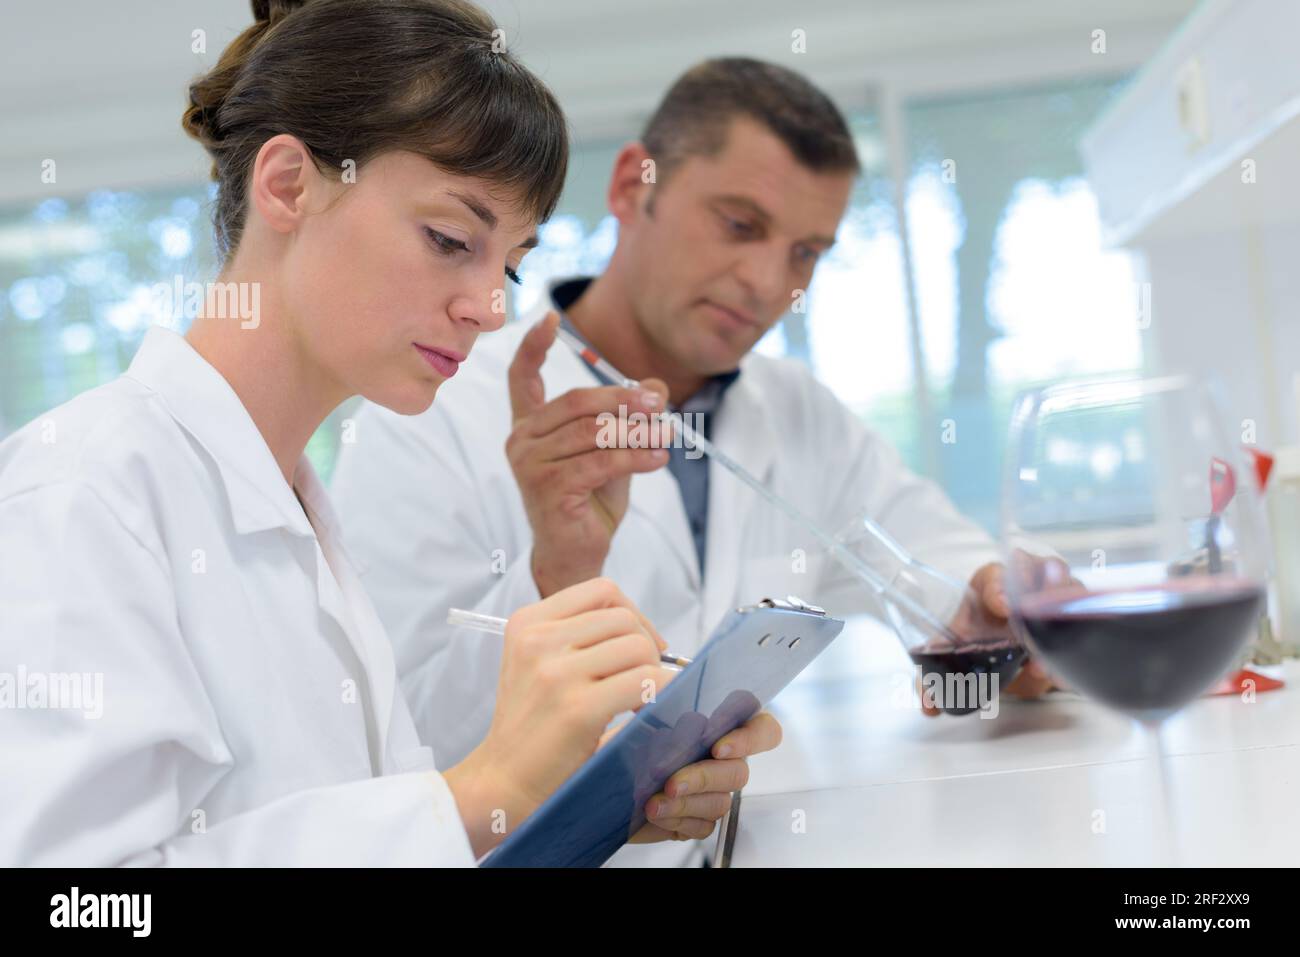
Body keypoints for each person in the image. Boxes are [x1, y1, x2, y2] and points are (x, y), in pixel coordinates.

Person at [0, 0, 778, 867]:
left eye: (511, 265)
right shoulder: (86, 496)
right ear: (290, 184)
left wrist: (592, 803)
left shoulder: (297, 511)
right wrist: (486, 792)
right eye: (451, 238)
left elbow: (395, 832)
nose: (490, 307)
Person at [331, 57, 1056, 781]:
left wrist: (998, 603)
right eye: (740, 224)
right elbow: (398, 744)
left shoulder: (797, 411)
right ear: (630, 186)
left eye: (805, 253)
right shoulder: (426, 414)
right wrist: (551, 574)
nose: (769, 283)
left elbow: (928, 552)